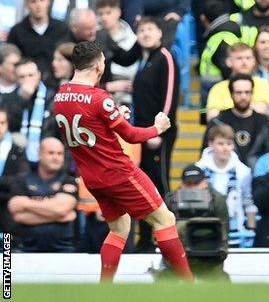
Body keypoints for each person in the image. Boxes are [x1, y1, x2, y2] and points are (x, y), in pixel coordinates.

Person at [53, 41, 192, 281]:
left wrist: (115, 117)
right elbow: (131, 135)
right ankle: (191, 285)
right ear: (98, 65)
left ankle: (105, 288)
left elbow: (89, 128)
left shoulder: (61, 95)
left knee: (120, 227)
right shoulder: (99, 98)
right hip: (118, 172)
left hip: (93, 177)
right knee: (165, 219)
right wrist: (157, 128)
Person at [110, 17, 179, 253]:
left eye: (151, 29)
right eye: (141, 30)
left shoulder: (165, 57)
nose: (146, 34)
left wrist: (160, 129)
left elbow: (170, 96)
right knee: (144, 182)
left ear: (160, 33)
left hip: (158, 132)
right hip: (141, 131)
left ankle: (166, 235)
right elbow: (120, 56)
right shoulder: (142, 57)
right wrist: (106, 32)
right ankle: (146, 238)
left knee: (159, 181)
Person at [8, 137, 78, 252]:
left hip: (64, 251)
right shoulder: (22, 180)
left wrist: (26, 204)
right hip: (26, 250)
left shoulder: (69, 180)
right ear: (39, 154)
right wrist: (60, 216)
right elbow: (19, 216)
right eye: (51, 153)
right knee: (7, 268)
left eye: (60, 153)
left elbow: (61, 209)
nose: (56, 157)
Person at [195, 124, 257, 234]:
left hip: (235, 229)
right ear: (210, 144)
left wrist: (251, 230)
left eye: (229, 144)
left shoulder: (243, 171)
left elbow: (248, 201)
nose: (225, 148)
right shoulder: (199, 169)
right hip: (204, 228)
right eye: (220, 143)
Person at [7, 0, 70, 83]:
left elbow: (69, 56)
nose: (38, 5)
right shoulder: (17, 31)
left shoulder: (61, 28)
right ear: (26, 4)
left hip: (58, 81)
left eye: (42, 0)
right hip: (27, 81)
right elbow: (13, 60)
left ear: (48, 2)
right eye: (33, 1)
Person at [205, 74, 269, 166]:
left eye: (247, 92)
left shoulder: (264, 122)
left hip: (257, 176)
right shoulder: (218, 122)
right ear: (231, 94)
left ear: (252, 93)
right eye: (238, 93)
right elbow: (206, 154)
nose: (243, 97)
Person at [206, 43, 269, 121]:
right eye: (239, 58)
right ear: (229, 62)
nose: (244, 62)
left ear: (254, 61)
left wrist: (228, 111)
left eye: (248, 58)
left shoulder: (262, 84)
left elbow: (260, 111)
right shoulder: (218, 88)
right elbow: (212, 117)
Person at [96, 0, 137, 107]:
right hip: (100, 94)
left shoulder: (133, 39)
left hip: (127, 95)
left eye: (108, 12)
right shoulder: (93, 36)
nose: (104, 17)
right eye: (101, 14)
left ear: (118, 12)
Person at [0, 108, 29, 236]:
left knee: (8, 252)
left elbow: (21, 179)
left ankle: (8, 256)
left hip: (7, 208)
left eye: (2, 123)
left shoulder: (18, 149)